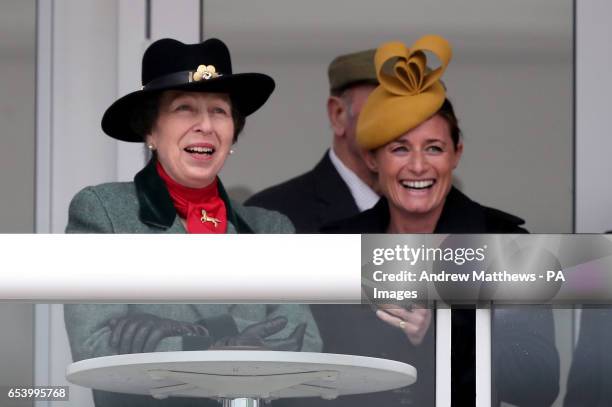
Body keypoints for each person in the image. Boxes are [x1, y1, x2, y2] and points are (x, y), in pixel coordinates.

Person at [63, 37, 321, 407]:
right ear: (150, 130)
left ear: (233, 131)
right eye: (184, 108)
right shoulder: (103, 211)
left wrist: (191, 338)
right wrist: (228, 347)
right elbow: (97, 349)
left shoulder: (271, 228)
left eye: (219, 110)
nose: (205, 125)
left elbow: (306, 346)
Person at [322, 35, 560, 406]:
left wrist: (438, 333)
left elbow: (536, 385)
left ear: (456, 154)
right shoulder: (335, 244)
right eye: (399, 148)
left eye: (434, 148)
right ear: (373, 160)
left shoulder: (507, 244)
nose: (418, 165)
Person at [245, 49, 380, 232]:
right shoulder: (269, 217)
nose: (402, 125)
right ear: (338, 114)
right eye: (385, 109)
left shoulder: (423, 211)